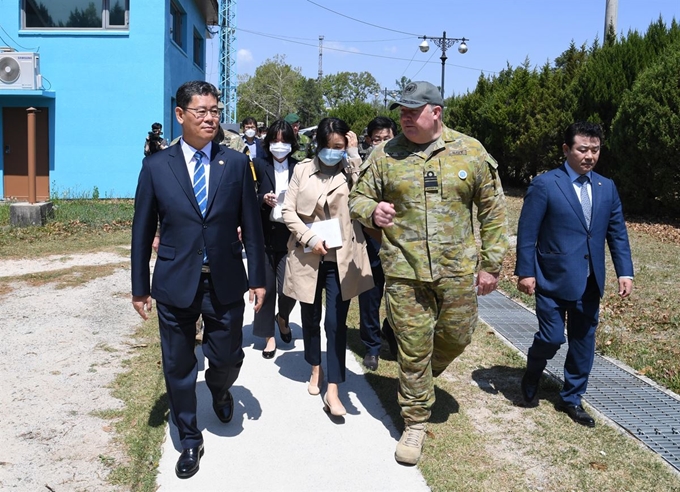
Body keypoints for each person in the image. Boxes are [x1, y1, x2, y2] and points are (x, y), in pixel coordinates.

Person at [349, 81, 508, 465]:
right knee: (414, 347)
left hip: (456, 271)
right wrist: (372, 211)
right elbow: (357, 197)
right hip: (404, 271)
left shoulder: (470, 151)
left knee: (457, 336)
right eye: (401, 110)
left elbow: (493, 212)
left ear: (436, 111)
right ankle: (415, 420)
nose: (404, 117)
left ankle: (418, 374)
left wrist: (491, 265)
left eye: (412, 111)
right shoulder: (385, 154)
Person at [131, 81, 266, 479]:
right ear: (180, 115)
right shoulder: (157, 166)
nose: (210, 118)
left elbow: (252, 226)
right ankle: (190, 437)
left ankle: (221, 389)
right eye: (201, 111)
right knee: (178, 364)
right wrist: (140, 286)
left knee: (227, 356)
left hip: (224, 277)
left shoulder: (236, 163)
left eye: (215, 111)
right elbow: (142, 230)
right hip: (175, 280)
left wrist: (258, 277)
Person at [515, 121, 634, 427]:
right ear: (567, 149)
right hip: (551, 276)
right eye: (583, 149)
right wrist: (525, 272)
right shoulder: (545, 184)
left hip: (590, 279)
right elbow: (528, 232)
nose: (589, 156)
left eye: (595, 150)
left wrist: (625, 272)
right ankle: (533, 372)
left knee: (583, 341)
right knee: (552, 336)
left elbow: (617, 233)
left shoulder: (606, 187)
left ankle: (572, 398)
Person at [282, 117, 373, 417]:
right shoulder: (302, 170)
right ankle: (315, 368)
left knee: (335, 323)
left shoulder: (350, 172)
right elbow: (288, 211)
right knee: (310, 315)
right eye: (329, 146)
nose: (334, 152)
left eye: (340, 146)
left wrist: (356, 155)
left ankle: (334, 390)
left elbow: (366, 197)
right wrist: (309, 236)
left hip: (341, 258)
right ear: (318, 145)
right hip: (308, 254)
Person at [252, 119, 299, 359]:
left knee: (288, 288)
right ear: (268, 141)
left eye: (284, 140)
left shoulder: (300, 167)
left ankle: (283, 318)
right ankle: (268, 335)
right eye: (275, 140)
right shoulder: (257, 164)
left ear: (292, 143)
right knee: (266, 287)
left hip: (290, 237)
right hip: (263, 234)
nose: (279, 145)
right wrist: (263, 198)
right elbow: (247, 194)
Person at [357, 116, 399, 370]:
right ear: (369, 141)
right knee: (370, 298)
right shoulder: (364, 168)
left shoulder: (407, 166)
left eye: (387, 139)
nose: (382, 144)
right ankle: (372, 346)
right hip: (371, 243)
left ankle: (391, 331)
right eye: (376, 139)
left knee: (398, 297)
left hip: (400, 247)